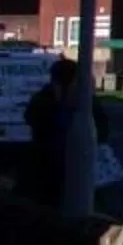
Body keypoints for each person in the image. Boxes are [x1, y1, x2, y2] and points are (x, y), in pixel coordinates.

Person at [19, 58, 75, 206]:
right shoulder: (44, 98)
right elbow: (32, 117)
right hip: (48, 159)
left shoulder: (83, 101)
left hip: (71, 161)